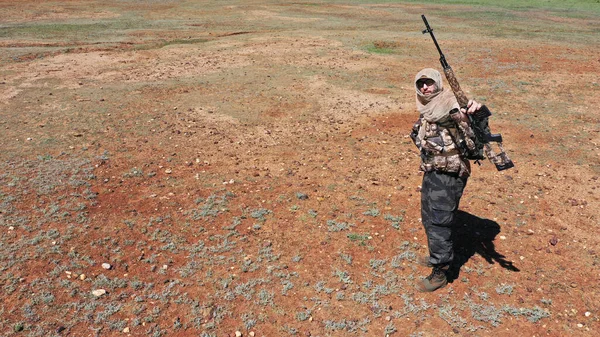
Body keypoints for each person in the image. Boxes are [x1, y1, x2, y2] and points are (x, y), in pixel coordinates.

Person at [409, 68, 482, 292]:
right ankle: (435, 255)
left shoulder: (450, 104)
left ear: (438, 83)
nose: (424, 88)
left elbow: (468, 123)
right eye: (420, 83)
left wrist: (471, 112)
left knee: (439, 222)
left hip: (449, 174)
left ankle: (440, 271)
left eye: (429, 83)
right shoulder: (428, 107)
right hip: (433, 171)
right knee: (429, 217)